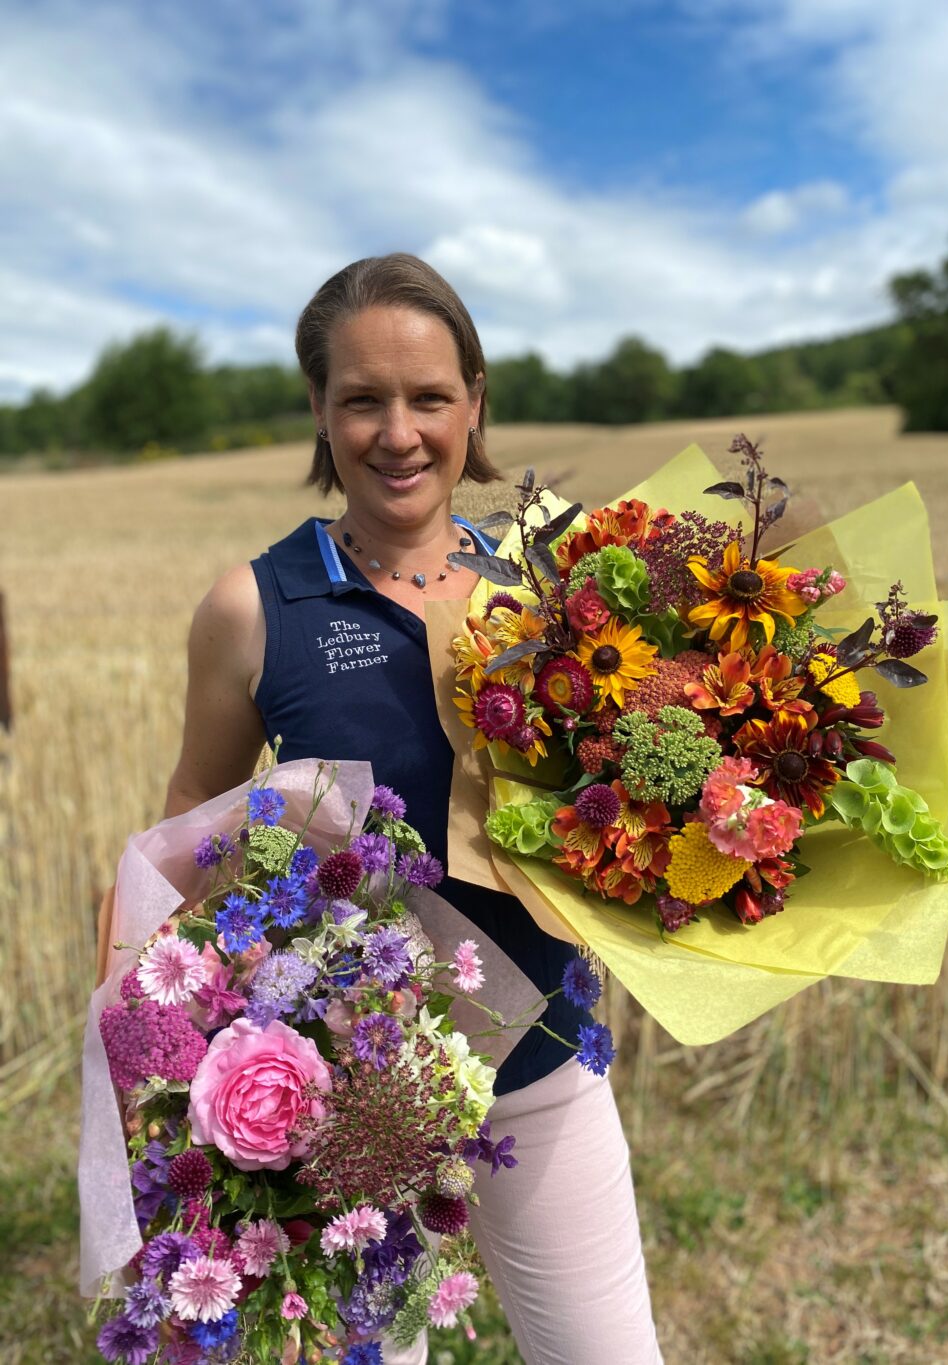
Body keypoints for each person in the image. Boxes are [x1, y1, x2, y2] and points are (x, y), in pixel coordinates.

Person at [164, 253, 663, 1365]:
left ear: (474, 402)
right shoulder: (254, 604)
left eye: (429, 397)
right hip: (349, 1107)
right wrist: (171, 1016)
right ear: (319, 412)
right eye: (362, 400)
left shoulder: (543, 589)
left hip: (541, 1072)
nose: (399, 433)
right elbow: (197, 800)